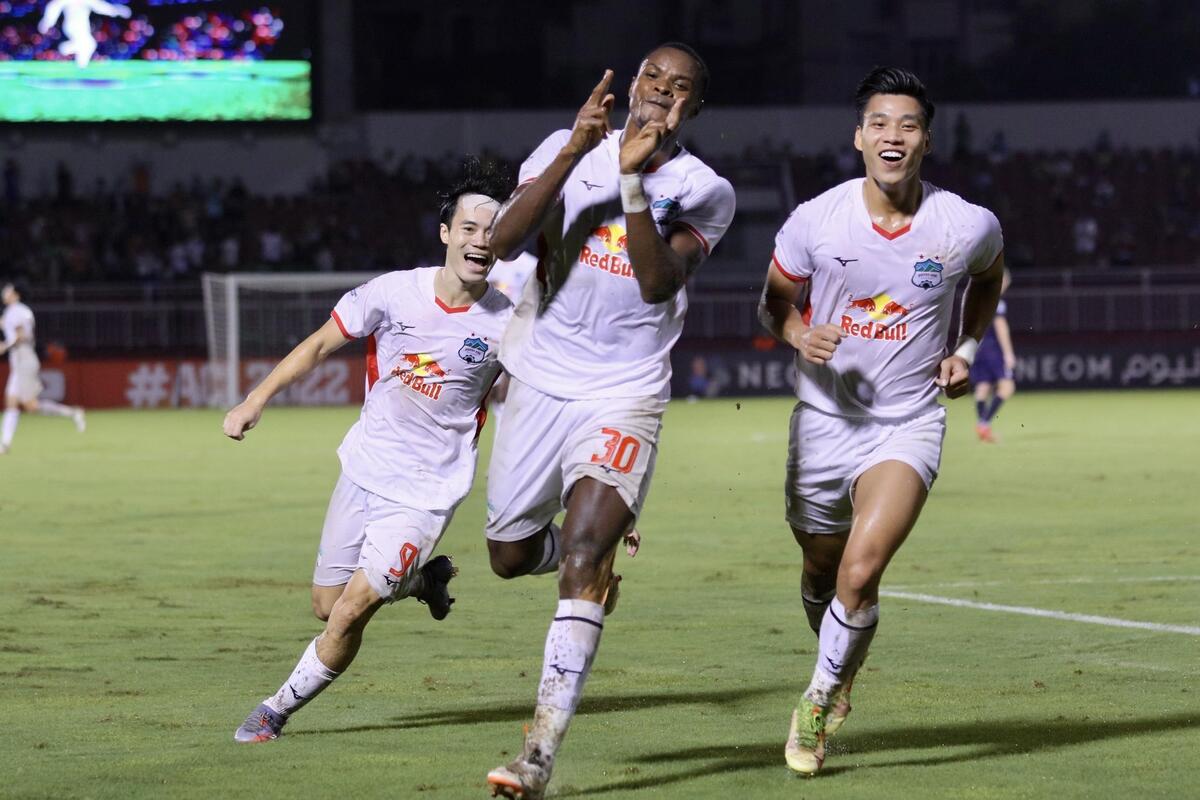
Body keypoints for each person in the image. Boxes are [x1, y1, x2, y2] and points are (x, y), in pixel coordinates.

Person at [481, 42, 736, 799]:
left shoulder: (704, 190)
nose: (662, 91)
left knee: (585, 555)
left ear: (696, 106)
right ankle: (577, 555)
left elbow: (658, 283)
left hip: (625, 390)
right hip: (539, 378)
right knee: (506, 554)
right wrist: (575, 151)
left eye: (680, 86)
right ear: (630, 86)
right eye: (652, 77)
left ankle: (537, 754)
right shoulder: (566, 148)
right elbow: (502, 241)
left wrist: (630, 181)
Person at [757, 66, 1005, 776]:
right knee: (821, 568)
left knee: (861, 572)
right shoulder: (817, 219)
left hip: (908, 423)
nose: (893, 135)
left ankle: (816, 703)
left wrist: (966, 349)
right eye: (880, 124)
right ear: (859, 137)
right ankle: (839, 662)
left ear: (927, 140)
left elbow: (988, 277)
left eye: (908, 125)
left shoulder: (966, 224)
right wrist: (799, 333)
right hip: (823, 422)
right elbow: (773, 302)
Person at [222, 161, 514, 743]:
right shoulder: (393, 291)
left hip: (427, 493)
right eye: (469, 228)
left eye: (493, 231)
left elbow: (549, 402)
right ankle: (424, 581)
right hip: (364, 469)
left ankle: (273, 712)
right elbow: (320, 344)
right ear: (445, 233)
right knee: (326, 604)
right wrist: (256, 399)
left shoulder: (510, 324)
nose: (481, 241)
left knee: (351, 611)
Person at [1, 280, 85, 454]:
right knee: (12, 403)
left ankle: (73, 413)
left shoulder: (17, 311)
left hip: (24, 359)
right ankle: (5, 444)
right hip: (19, 360)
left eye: (7, 290)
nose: (4, 293)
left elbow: (20, 336)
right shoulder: (16, 311)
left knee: (30, 405)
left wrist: (5, 346)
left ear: (16, 294)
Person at [972, 269, 1016, 442]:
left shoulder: (979, 299)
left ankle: (983, 428)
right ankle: (984, 423)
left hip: (978, 348)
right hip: (993, 349)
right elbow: (1000, 327)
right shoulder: (997, 301)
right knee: (1007, 387)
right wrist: (1008, 353)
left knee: (983, 387)